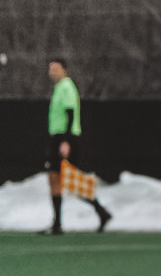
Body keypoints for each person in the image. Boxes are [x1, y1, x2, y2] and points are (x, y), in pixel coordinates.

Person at [42, 58, 112, 235]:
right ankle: (57, 223)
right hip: (57, 137)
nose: (52, 71)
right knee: (54, 178)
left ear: (64, 69)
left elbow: (70, 112)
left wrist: (65, 141)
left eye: (55, 68)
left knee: (71, 181)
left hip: (66, 138)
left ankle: (101, 211)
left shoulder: (66, 87)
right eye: (50, 68)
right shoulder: (58, 88)